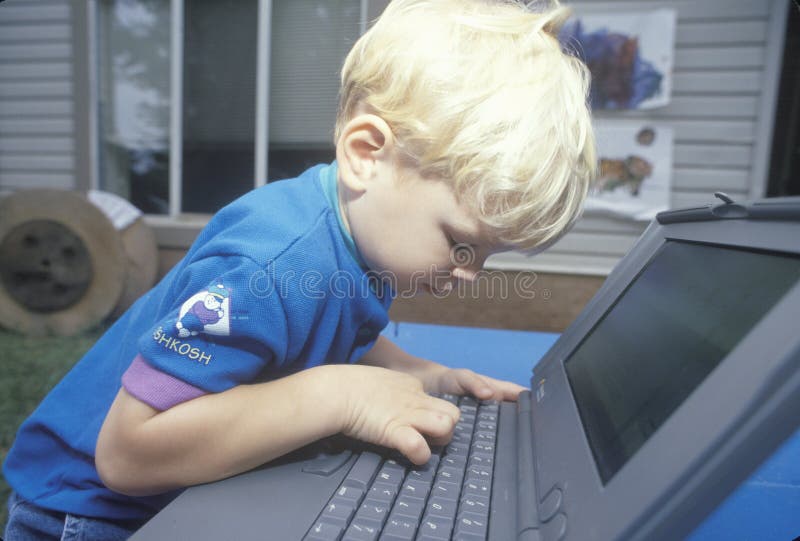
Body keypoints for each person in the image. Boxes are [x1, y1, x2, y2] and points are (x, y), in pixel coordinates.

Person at [2, 0, 596, 538]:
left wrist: (423, 373)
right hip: (83, 513)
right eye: (460, 242)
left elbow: (321, 331)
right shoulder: (267, 268)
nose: (470, 273)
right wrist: (337, 396)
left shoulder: (359, 234)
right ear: (366, 154)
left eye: (490, 255)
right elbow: (127, 455)